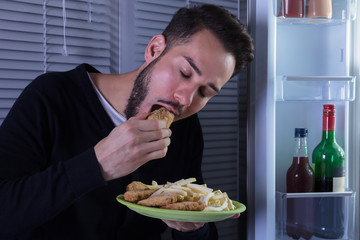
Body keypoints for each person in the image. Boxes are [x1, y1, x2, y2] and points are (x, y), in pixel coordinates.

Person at [0, 4, 253, 240]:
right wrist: (97, 164)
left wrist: (194, 227)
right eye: (185, 72)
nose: (185, 99)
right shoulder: (52, 97)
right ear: (154, 49)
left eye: (205, 93)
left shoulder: (185, 128)